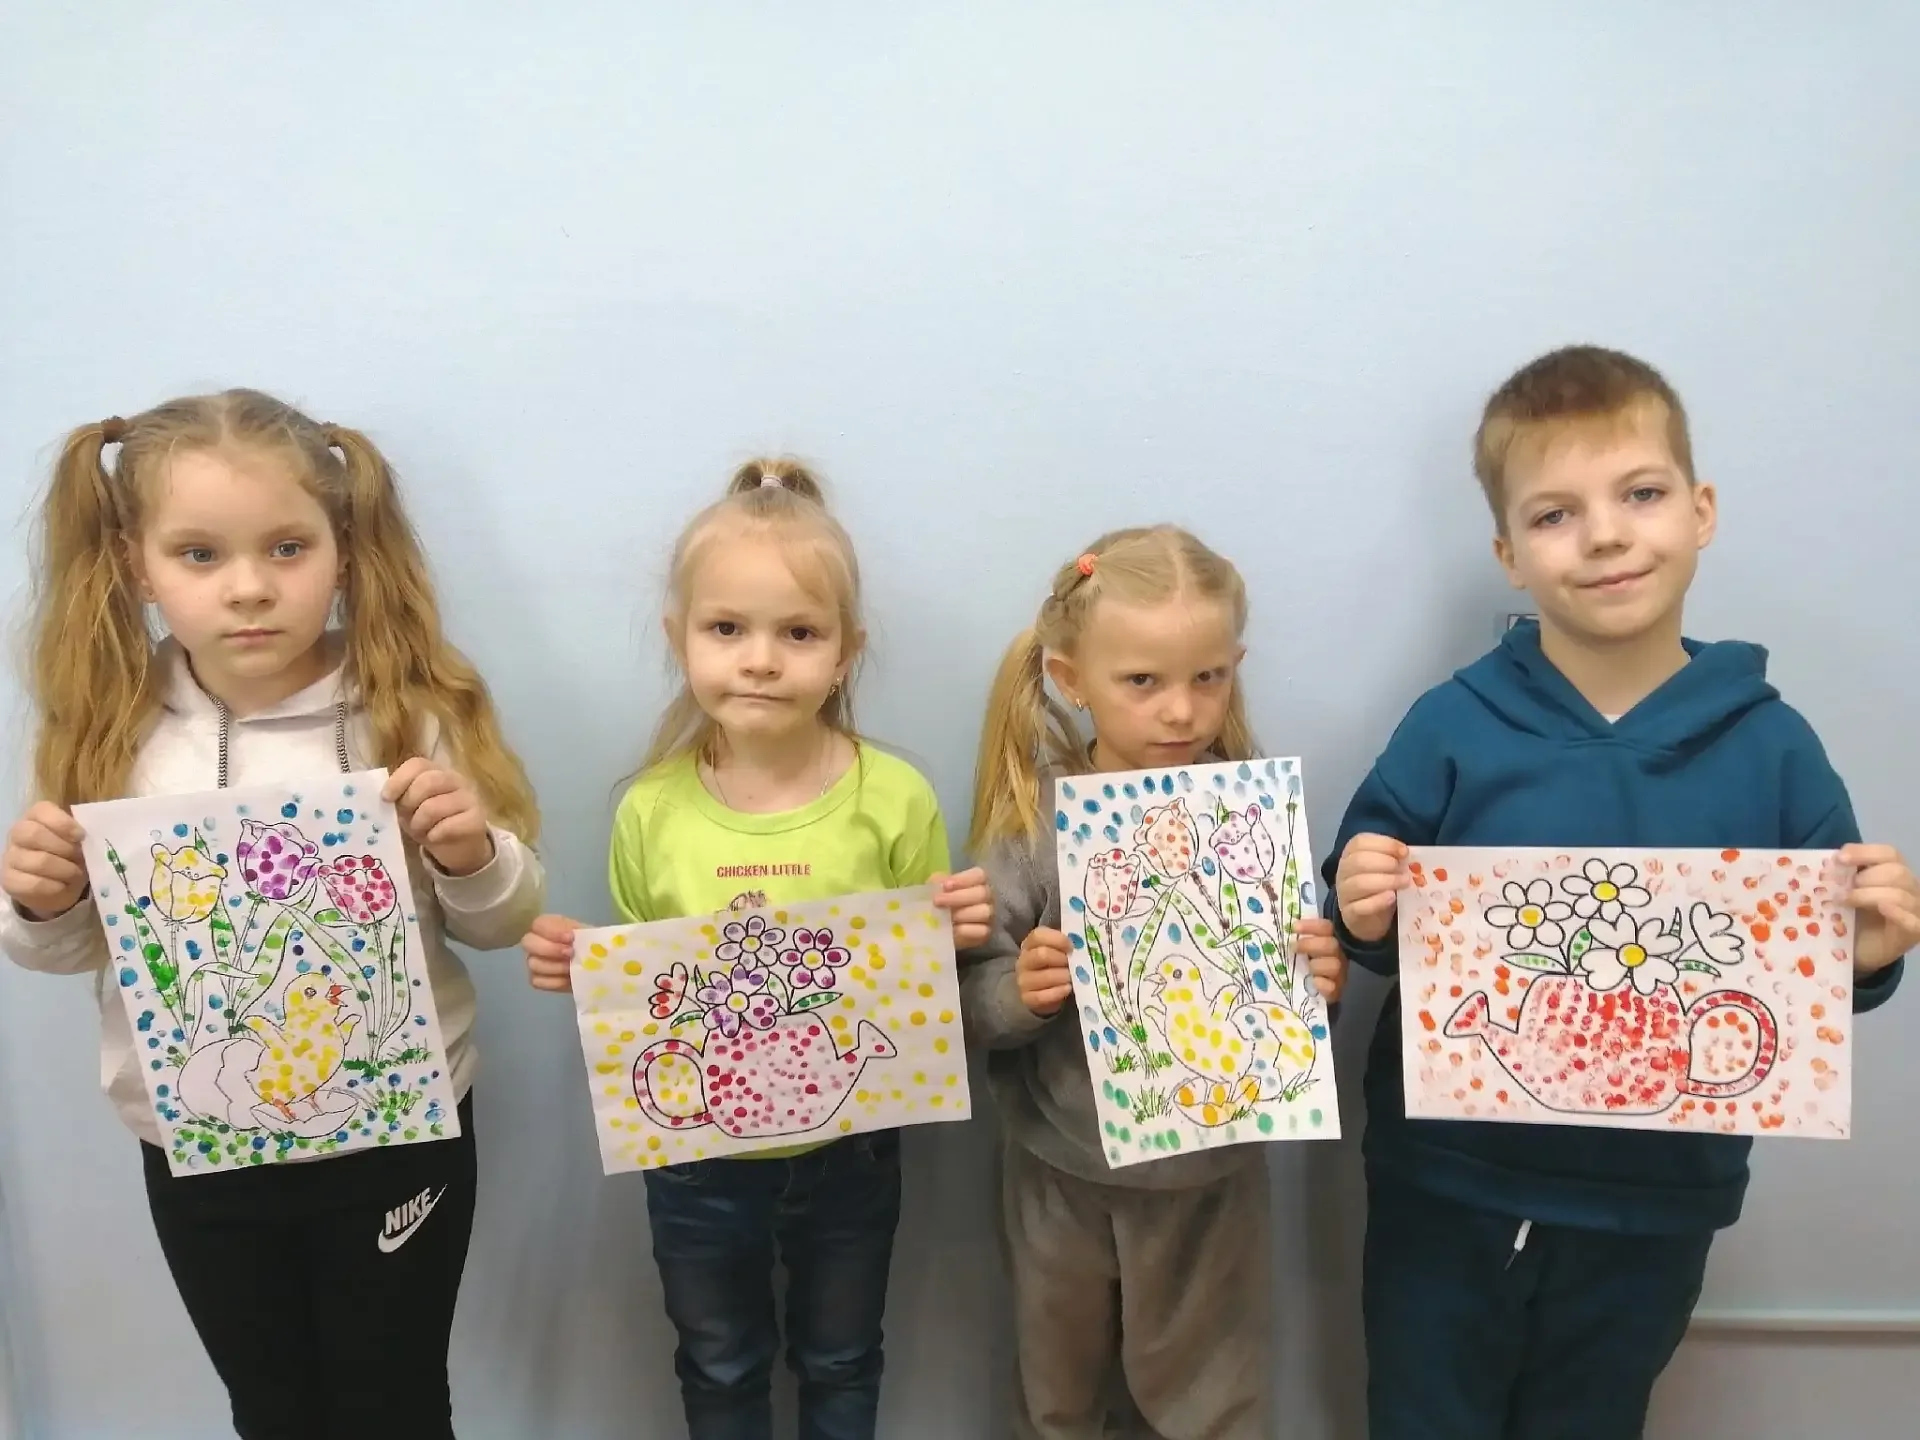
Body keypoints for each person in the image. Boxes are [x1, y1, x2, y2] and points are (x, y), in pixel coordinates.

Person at [1327, 345, 1919, 1440]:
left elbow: (1824, 976)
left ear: (1701, 512)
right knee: (1422, 1413)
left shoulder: (1775, 747)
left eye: (1640, 494)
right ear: (1508, 554)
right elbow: (1367, 905)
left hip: (1658, 1199)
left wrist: (1871, 952)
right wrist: (1363, 904)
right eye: (1556, 514)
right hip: (1447, 1181)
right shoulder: (1451, 724)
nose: (1604, 535)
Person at [0, 390, 546, 1439]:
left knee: (393, 1405)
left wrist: (473, 854)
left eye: (287, 548)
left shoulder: (408, 709)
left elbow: (500, 919)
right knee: (272, 1409)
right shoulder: (109, 730)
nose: (249, 587)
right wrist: (39, 897)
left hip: (396, 1137)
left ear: (344, 549)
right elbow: (67, 948)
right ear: (135, 564)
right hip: (199, 1143)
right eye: (199, 554)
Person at [522, 458, 991, 1440]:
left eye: (799, 633)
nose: (762, 661)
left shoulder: (894, 797)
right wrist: (589, 968)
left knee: (843, 1358)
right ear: (679, 638)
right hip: (698, 1161)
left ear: (847, 652)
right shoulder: (649, 810)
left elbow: (923, 986)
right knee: (719, 1363)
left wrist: (954, 934)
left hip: (852, 1150)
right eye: (727, 629)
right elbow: (653, 986)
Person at [963, 525, 1348, 1440]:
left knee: (1213, 1402)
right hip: (1064, 1171)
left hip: (1214, 1180)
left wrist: (1318, 985)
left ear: (1234, 668)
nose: (1181, 710)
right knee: (1057, 1396)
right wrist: (1020, 991)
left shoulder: (1250, 820)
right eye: (1143, 681)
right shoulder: (1034, 826)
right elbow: (969, 1001)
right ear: (1072, 680)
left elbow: (1282, 1022)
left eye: (1207, 677)